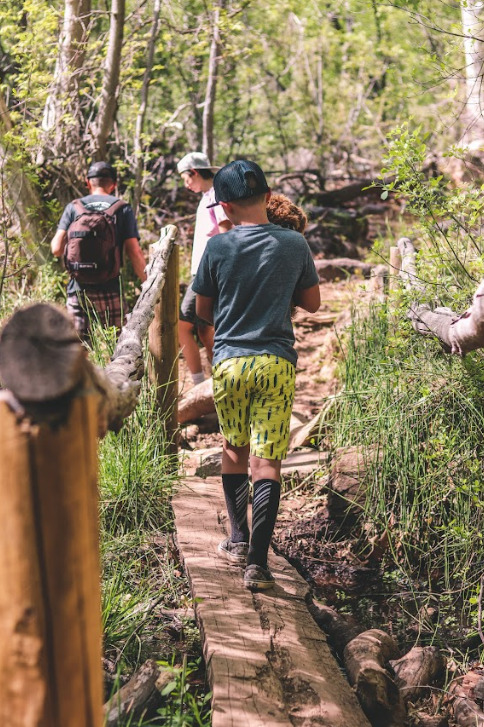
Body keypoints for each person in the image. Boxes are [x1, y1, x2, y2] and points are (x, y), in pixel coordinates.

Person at [192, 160, 320, 590]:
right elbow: (314, 303)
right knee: (268, 462)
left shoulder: (217, 247)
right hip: (275, 362)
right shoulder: (294, 244)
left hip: (230, 361)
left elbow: (201, 311)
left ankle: (237, 539)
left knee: (234, 449)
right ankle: (258, 567)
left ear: (223, 207)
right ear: (268, 197)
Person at [51, 161, 147, 341]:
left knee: (78, 349)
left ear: (88, 183)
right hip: (110, 287)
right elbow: (134, 252)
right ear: (114, 184)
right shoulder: (122, 208)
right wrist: (147, 283)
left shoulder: (74, 207)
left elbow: (56, 249)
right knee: (120, 347)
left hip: (78, 289)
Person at [177, 151, 232, 386]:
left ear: (196, 172)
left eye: (186, 178)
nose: (186, 184)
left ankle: (200, 384)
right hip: (202, 272)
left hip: (208, 273)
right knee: (204, 330)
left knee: (182, 325)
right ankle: (217, 380)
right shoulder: (207, 195)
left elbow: (226, 232)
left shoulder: (216, 195)